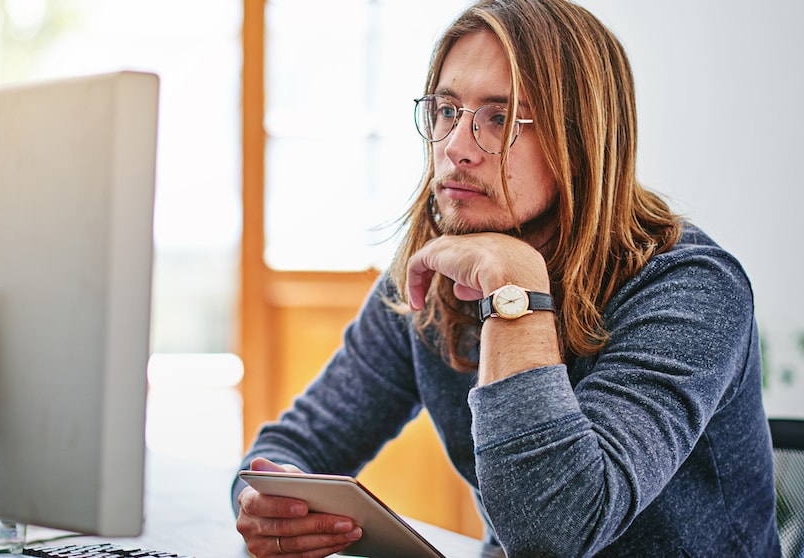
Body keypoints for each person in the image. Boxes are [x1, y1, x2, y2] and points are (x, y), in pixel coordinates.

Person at [231, 0, 781, 556]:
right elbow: (291, 448)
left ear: (584, 139)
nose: (455, 148)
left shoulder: (692, 288)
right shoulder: (434, 273)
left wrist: (516, 291)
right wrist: (268, 507)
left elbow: (554, 534)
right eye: (446, 111)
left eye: (500, 118)